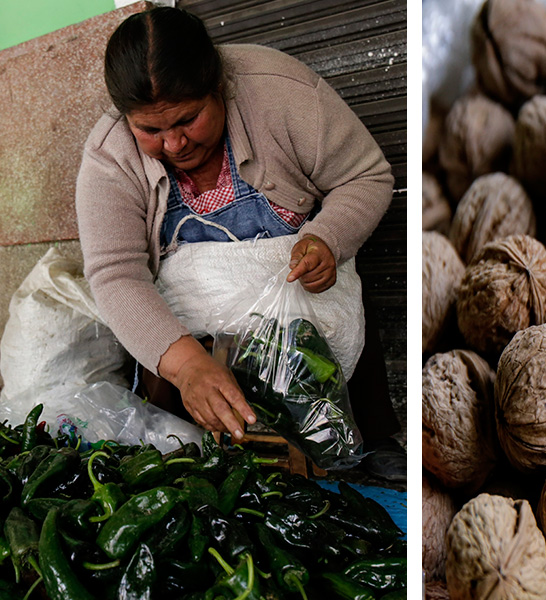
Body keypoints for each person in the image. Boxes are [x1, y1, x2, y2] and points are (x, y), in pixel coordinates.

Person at [75, 7, 394, 446]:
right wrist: (185, 366)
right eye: (150, 129)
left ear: (219, 86)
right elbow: (115, 275)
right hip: (190, 343)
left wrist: (328, 238)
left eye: (188, 119)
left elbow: (367, 175)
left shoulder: (281, 93)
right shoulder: (111, 156)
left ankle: (374, 443)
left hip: (310, 333)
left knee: (351, 454)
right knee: (196, 461)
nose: (173, 144)